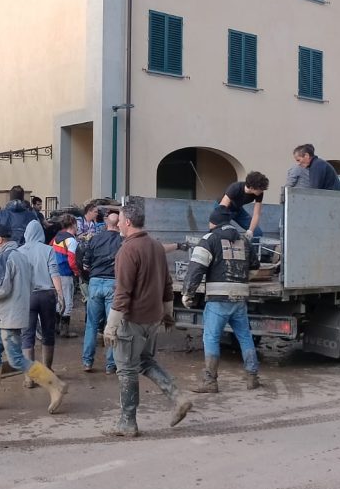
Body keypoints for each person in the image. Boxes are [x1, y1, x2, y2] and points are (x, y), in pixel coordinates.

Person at [103, 197, 192, 437]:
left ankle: (127, 422)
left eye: (119, 220)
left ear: (128, 222)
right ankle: (178, 397)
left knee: (126, 370)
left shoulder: (127, 250)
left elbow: (122, 292)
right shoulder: (155, 246)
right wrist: (167, 313)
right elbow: (167, 284)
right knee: (145, 361)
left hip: (131, 320)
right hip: (152, 319)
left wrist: (110, 326)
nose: (118, 224)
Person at [0, 223, 67, 413]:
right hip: (12, 313)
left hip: (7, 315)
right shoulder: (20, 256)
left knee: (15, 359)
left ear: (0, 239)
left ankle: (55, 385)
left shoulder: (5, 257)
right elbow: (30, 284)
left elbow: (0, 288)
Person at [182, 208, 261, 393]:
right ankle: (252, 378)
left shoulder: (209, 239)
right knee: (245, 337)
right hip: (239, 298)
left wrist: (188, 293)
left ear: (213, 223)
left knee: (211, 338)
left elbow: (196, 269)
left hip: (218, 300)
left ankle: (210, 381)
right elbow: (255, 267)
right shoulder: (244, 240)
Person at [18, 219, 65, 387]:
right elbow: (54, 273)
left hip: (27, 296)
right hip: (47, 296)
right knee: (48, 333)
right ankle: (47, 370)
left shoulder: (19, 251)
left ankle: (29, 377)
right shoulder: (48, 250)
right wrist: (61, 295)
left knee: (27, 336)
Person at [80, 212, 122, 374]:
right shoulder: (122, 241)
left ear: (106, 222)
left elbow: (85, 264)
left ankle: (87, 362)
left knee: (91, 324)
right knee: (111, 325)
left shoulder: (94, 238)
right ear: (119, 224)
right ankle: (110, 365)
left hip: (95, 282)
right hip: (113, 284)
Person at [51, 214, 80, 336]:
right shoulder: (71, 240)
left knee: (59, 299)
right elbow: (72, 260)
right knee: (68, 301)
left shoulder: (57, 237)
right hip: (66, 273)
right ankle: (64, 330)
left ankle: (55, 327)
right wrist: (77, 272)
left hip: (55, 273)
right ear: (73, 224)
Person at [217, 171, 270, 237]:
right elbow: (222, 208)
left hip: (238, 210)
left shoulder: (259, 194)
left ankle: (252, 247)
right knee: (224, 233)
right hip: (223, 210)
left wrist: (250, 230)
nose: (262, 191)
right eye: (260, 189)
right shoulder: (235, 188)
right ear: (251, 188)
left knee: (257, 233)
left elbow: (256, 214)